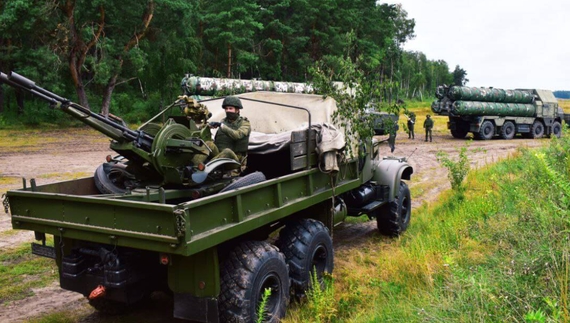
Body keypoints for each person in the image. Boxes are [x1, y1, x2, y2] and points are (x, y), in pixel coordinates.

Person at [208, 96, 251, 165]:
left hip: (234, 159)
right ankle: (194, 167)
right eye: (226, 109)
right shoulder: (224, 121)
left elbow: (237, 135)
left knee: (227, 151)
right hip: (219, 155)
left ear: (237, 110)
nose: (228, 111)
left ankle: (204, 167)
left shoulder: (245, 123)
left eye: (230, 108)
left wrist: (221, 126)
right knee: (208, 144)